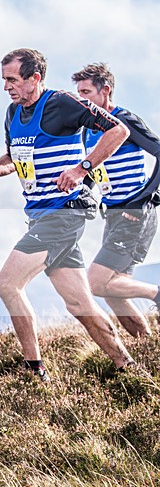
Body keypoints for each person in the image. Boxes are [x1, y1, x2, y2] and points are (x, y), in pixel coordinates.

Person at [0, 48, 139, 381]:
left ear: (35, 78)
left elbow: (118, 130)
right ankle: (128, 367)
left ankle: (35, 370)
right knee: (80, 306)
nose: (7, 87)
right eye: (4, 80)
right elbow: (15, 157)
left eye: (13, 80)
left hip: (63, 213)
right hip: (40, 215)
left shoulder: (61, 103)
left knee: (8, 285)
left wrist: (82, 168)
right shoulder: (12, 113)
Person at [71, 63, 160, 337]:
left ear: (105, 91)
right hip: (113, 214)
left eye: (86, 93)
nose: (81, 100)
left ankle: (157, 294)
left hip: (135, 213)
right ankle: (145, 345)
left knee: (96, 284)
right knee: (113, 290)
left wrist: (145, 199)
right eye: (78, 94)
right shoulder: (90, 129)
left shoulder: (124, 121)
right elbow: (94, 171)